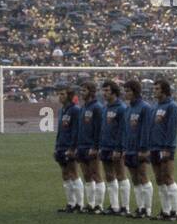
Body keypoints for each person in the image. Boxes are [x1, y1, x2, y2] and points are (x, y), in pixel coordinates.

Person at [120, 79, 153, 218]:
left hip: (140, 149)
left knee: (143, 176)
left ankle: (147, 209)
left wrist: (144, 149)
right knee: (134, 178)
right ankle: (140, 208)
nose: (125, 93)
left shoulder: (145, 108)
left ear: (135, 91)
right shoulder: (128, 109)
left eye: (128, 91)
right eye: (125, 90)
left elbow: (146, 130)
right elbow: (126, 131)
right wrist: (125, 148)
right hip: (130, 148)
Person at [149, 79, 177, 220]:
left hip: (165, 147)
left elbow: (172, 129)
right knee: (159, 179)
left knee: (168, 177)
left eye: (157, 89)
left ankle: (175, 211)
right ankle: (165, 211)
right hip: (154, 147)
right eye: (154, 88)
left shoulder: (172, 106)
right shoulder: (155, 107)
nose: (154, 91)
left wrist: (168, 148)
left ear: (164, 90)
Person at [98, 79, 127, 215]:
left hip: (116, 147)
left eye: (107, 90)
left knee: (121, 175)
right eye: (103, 90)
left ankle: (125, 207)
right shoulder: (105, 108)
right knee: (109, 175)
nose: (104, 93)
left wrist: (119, 148)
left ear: (114, 92)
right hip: (105, 146)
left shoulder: (121, 108)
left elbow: (123, 130)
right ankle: (114, 206)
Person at [76, 80, 104, 213]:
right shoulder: (83, 107)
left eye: (84, 91)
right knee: (86, 175)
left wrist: (96, 146)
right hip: (82, 146)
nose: (82, 93)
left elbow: (99, 129)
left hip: (92, 146)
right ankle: (90, 204)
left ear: (92, 92)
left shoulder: (97, 107)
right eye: (81, 90)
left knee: (96, 175)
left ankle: (99, 205)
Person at [53, 85, 82, 213]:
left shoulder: (75, 110)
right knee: (65, 174)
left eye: (63, 94)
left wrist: (73, 147)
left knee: (73, 173)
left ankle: (79, 204)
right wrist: (56, 146)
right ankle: (70, 203)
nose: (60, 96)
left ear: (69, 96)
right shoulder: (62, 110)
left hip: (70, 147)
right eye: (59, 94)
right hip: (61, 146)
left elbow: (76, 130)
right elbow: (60, 130)